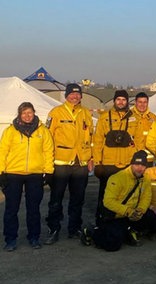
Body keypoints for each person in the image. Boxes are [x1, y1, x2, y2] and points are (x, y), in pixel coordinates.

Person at [0, 102, 54, 251]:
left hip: (35, 174)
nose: (27, 116)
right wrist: (1, 172)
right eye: (24, 113)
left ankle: (34, 237)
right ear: (19, 114)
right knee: (11, 208)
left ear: (34, 112)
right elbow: (2, 151)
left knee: (33, 208)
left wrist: (48, 172)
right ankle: (10, 239)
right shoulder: (10, 131)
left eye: (29, 112)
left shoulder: (43, 131)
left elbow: (48, 151)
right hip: (13, 174)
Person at [45, 83, 94, 245]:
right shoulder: (56, 112)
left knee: (77, 198)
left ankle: (74, 228)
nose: (75, 97)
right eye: (72, 94)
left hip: (80, 163)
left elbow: (91, 138)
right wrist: (48, 161)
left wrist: (91, 157)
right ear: (66, 95)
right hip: (61, 163)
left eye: (78, 94)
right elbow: (47, 137)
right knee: (56, 198)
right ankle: (54, 228)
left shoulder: (85, 113)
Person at [82, 150, 152, 251]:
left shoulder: (146, 179)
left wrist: (141, 210)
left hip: (132, 213)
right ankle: (91, 231)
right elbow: (108, 201)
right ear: (131, 164)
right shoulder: (118, 178)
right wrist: (128, 211)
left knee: (154, 218)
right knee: (112, 245)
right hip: (116, 215)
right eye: (136, 165)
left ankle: (129, 230)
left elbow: (146, 197)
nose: (139, 168)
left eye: (142, 165)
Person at [93, 90, 137, 215]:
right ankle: (101, 221)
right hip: (108, 164)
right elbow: (98, 141)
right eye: (118, 99)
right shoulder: (104, 118)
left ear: (127, 101)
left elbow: (139, 141)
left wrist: (135, 160)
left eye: (124, 99)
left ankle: (124, 223)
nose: (121, 102)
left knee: (127, 195)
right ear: (114, 101)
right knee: (105, 195)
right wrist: (98, 163)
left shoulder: (134, 118)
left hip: (127, 163)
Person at [130, 92, 156, 164]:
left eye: (145, 102)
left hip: (148, 159)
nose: (142, 105)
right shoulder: (128, 116)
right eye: (140, 102)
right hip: (131, 158)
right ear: (135, 102)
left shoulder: (153, 118)